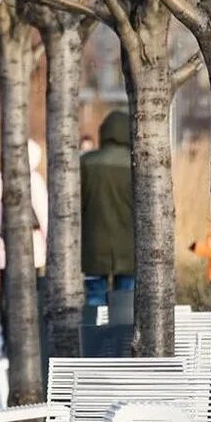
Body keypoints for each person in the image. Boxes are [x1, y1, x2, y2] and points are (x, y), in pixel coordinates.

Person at [0, 139, 49, 354]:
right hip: (33, 248)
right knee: (32, 290)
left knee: (7, 293)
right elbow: (45, 215)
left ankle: (8, 338)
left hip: (4, 247)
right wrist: (48, 244)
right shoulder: (36, 180)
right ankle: (30, 337)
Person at [81, 110, 134, 306]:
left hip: (94, 245)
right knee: (126, 302)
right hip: (129, 247)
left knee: (94, 298)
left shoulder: (86, 162)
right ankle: (121, 337)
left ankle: (95, 336)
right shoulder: (137, 163)